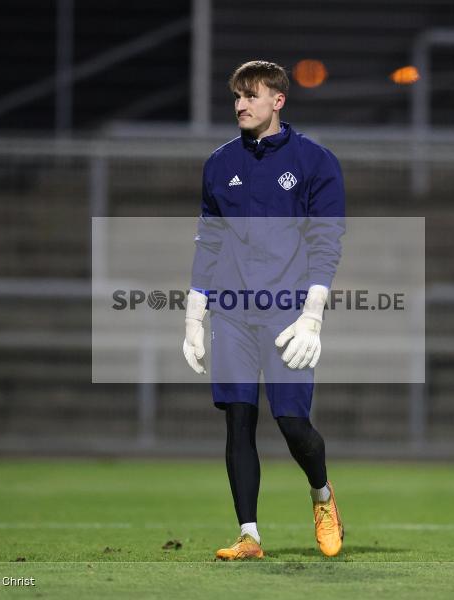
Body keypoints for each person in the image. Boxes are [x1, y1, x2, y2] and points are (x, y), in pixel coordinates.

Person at [183, 60, 346, 560]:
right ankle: (249, 535)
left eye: (251, 96)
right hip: (232, 311)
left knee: (293, 423)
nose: (240, 104)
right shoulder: (219, 164)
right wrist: (194, 314)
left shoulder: (315, 161)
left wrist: (312, 315)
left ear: (278, 101)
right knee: (238, 418)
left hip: (287, 314)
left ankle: (322, 494)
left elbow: (326, 242)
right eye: (237, 96)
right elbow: (209, 242)